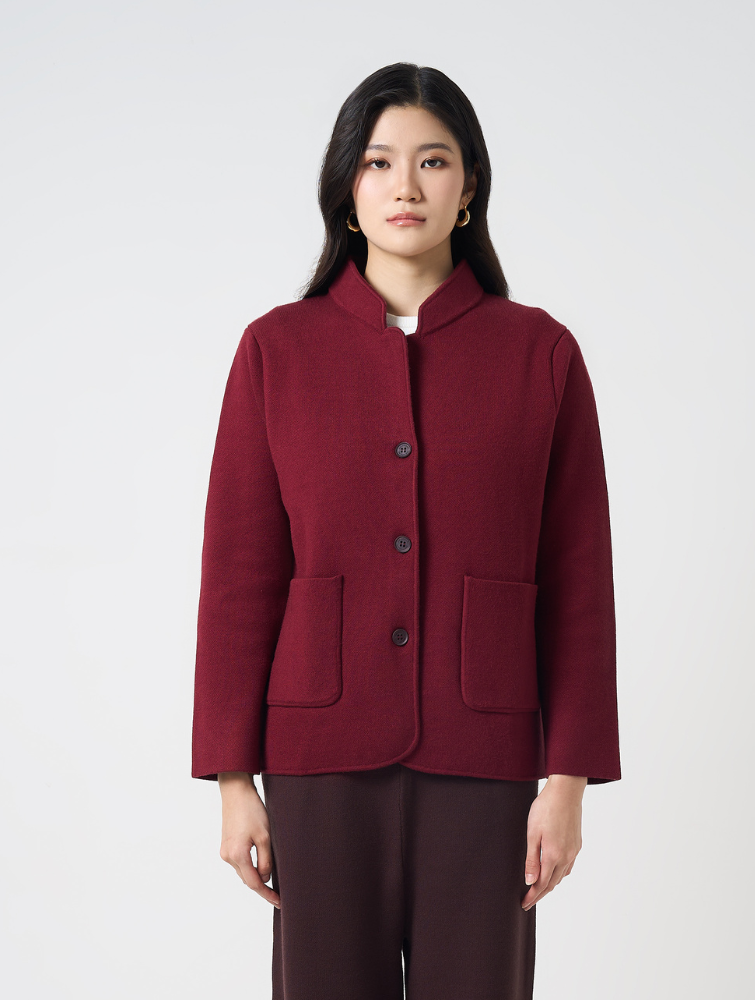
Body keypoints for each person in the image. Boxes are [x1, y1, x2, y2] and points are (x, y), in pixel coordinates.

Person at [191, 62, 621, 1000]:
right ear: (347, 189)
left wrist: (568, 782)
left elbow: (578, 580)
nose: (406, 186)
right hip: (319, 762)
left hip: (487, 760)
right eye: (379, 162)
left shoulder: (541, 354)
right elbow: (239, 574)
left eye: (433, 161)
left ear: (468, 188)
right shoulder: (276, 351)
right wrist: (232, 780)